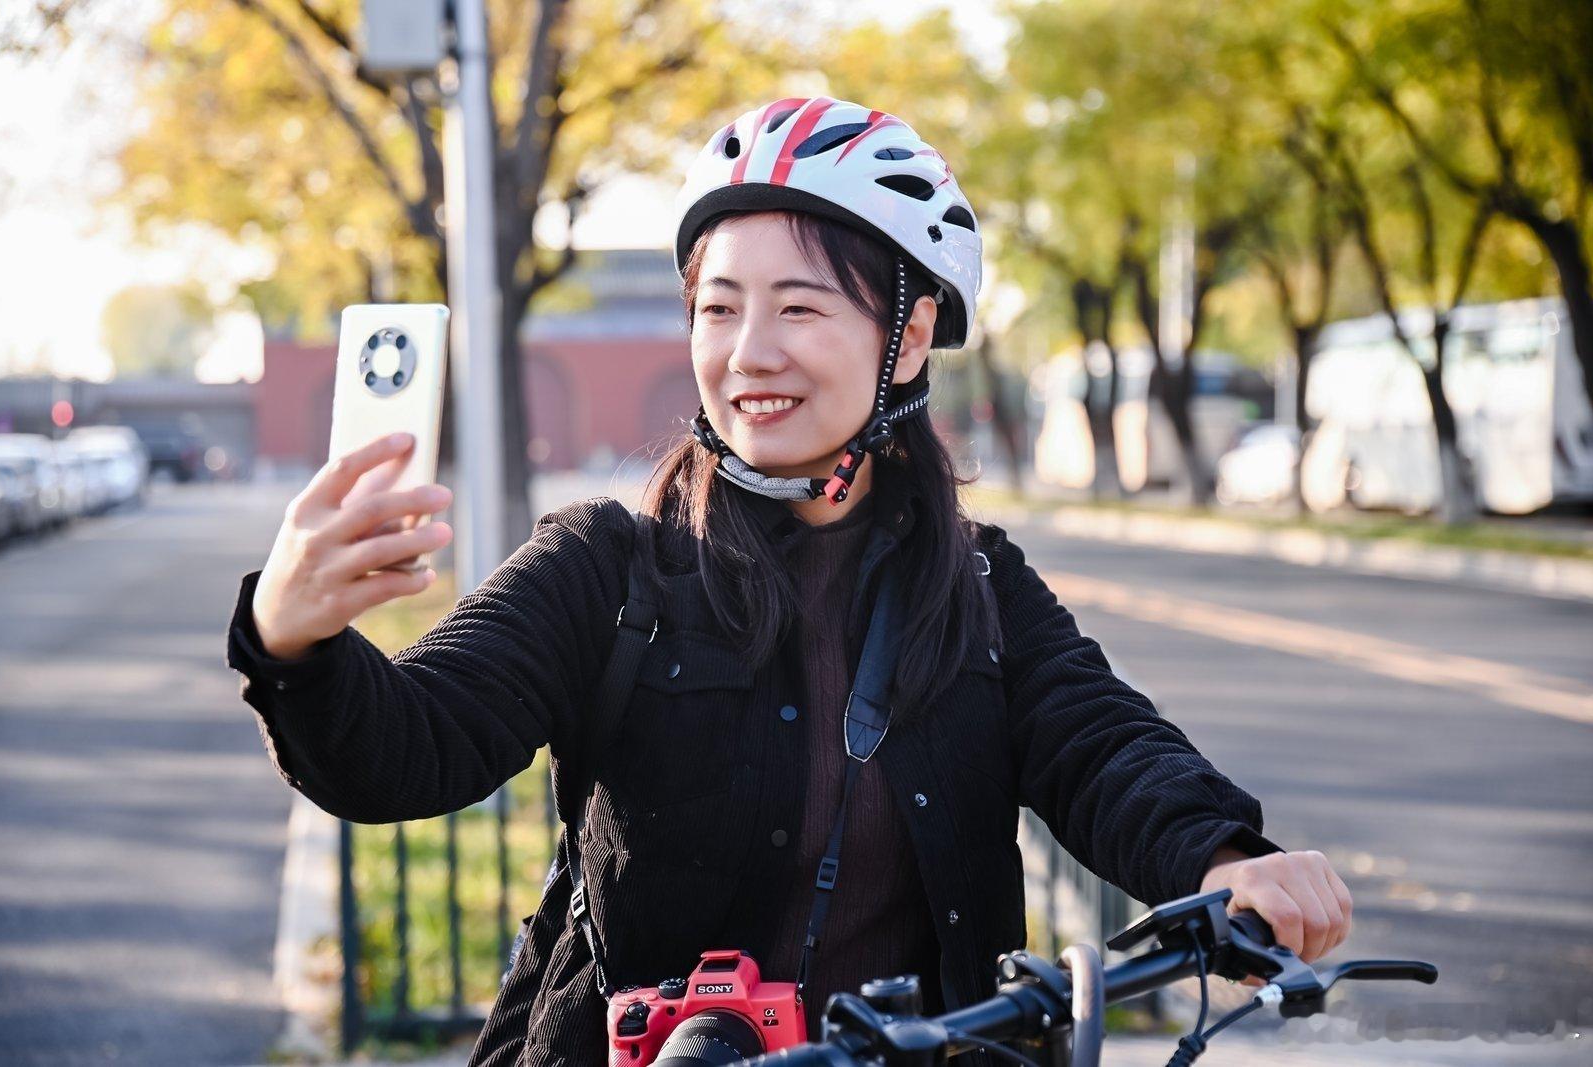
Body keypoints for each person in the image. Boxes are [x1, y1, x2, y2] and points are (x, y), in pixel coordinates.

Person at [226, 97, 1352, 1066]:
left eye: (800, 307)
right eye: (719, 307)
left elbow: (1104, 748)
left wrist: (1225, 858)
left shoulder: (978, 585)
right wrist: (294, 641)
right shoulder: (604, 568)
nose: (747, 351)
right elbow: (406, 746)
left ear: (907, 339)